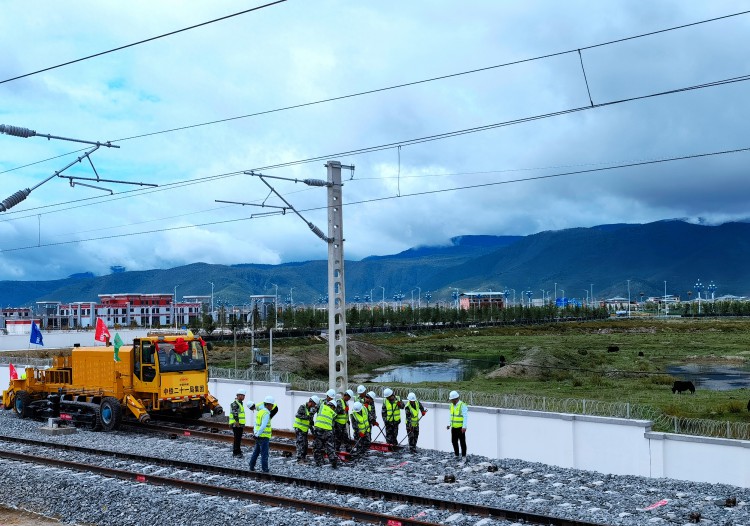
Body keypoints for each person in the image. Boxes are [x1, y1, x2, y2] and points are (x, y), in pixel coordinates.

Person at [249, 395, 275, 472]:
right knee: (264, 454)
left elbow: (256, 423)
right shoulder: (266, 413)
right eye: (272, 405)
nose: (272, 406)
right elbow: (263, 425)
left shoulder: (260, 411)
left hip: (258, 435)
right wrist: (257, 434)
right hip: (264, 436)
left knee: (256, 452)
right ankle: (265, 469)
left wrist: (255, 433)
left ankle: (251, 466)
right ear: (268, 405)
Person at [312, 395, 338, 469]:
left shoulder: (322, 406)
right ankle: (333, 462)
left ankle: (319, 462)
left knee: (317, 447)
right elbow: (333, 425)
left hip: (318, 429)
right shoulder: (333, 413)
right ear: (333, 407)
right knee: (330, 447)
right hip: (328, 431)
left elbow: (317, 403)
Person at [293, 395, 319, 463]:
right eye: (314, 404)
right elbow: (298, 415)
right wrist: (308, 417)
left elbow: (310, 421)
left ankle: (303, 457)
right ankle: (299, 459)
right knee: (300, 443)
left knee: (305, 444)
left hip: (304, 429)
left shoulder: (310, 409)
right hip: (299, 428)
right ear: (310, 402)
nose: (314, 406)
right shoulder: (302, 407)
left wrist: (313, 431)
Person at [446, 390, 468, 462]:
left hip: (460, 428)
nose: (451, 401)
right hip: (454, 427)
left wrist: (464, 426)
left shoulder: (462, 405)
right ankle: (456, 455)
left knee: (462, 442)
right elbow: (451, 416)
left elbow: (465, 416)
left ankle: (464, 456)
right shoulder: (451, 405)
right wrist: (449, 424)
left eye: (452, 400)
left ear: (456, 399)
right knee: (454, 441)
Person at [228, 388, 247, 457]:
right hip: (236, 424)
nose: (243, 397)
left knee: (238, 438)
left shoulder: (240, 403)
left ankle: (238, 450)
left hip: (239, 424)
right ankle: (236, 452)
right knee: (237, 438)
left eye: (244, 395)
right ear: (238, 395)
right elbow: (235, 413)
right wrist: (237, 422)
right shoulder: (235, 404)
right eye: (242, 395)